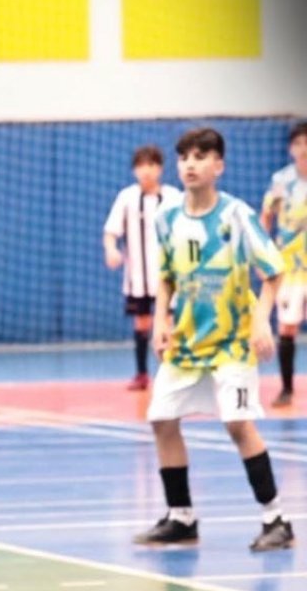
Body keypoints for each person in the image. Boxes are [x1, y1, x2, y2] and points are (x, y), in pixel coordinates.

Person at [134, 127, 292, 551]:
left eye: (201, 156)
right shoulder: (166, 219)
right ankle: (181, 517)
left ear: (218, 166)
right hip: (186, 343)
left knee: (238, 423)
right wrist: (162, 317)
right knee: (161, 420)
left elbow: (274, 272)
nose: (190, 163)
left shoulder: (235, 215)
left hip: (232, 342)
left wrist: (261, 320)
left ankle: (276, 517)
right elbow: (166, 276)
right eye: (185, 156)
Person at [103, 145, 182, 390]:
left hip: (167, 278)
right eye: (141, 166)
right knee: (143, 324)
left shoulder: (172, 197)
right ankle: (141, 374)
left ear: (160, 168)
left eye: (151, 165)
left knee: (166, 325)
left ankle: (170, 375)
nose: (146, 171)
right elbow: (110, 231)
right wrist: (111, 249)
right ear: (134, 170)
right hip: (137, 277)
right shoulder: (127, 197)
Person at [260, 121, 307, 406]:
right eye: (299, 143)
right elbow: (266, 216)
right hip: (289, 267)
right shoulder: (282, 181)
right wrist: (263, 252)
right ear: (291, 149)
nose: (304, 148)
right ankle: (287, 388)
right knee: (287, 328)